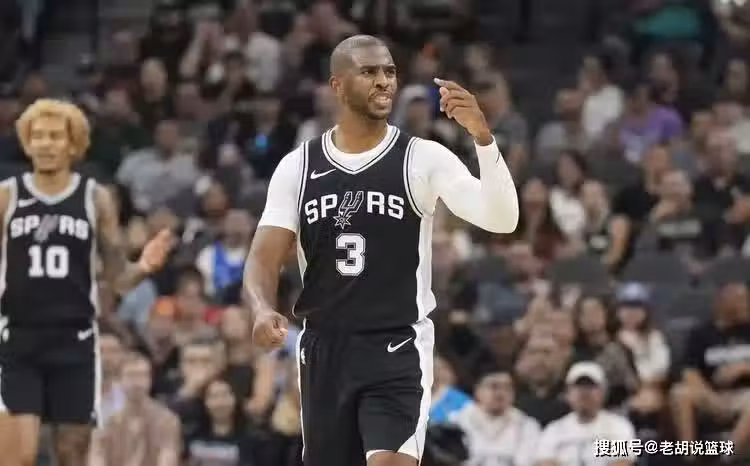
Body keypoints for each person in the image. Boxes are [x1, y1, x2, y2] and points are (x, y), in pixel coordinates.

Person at [245, 34, 519, 466]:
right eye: (369, 72)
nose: (384, 81)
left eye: (389, 71)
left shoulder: (422, 157)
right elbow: (264, 255)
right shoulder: (298, 166)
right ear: (337, 86)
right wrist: (262, 308)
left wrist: (483, 140)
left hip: (396, 344)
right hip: (324, 346)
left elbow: (502, 220)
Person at [0, 99, 174, 466]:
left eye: (55, 136)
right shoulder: (6, 195)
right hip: (18, 337)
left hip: (74, 339)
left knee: (72, 453)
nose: (45, 144)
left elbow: (119, 281)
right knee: (18, 455)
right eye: (37, 136)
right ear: (27, 143)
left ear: (73, 144)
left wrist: (144, 265)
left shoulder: (96, 198)